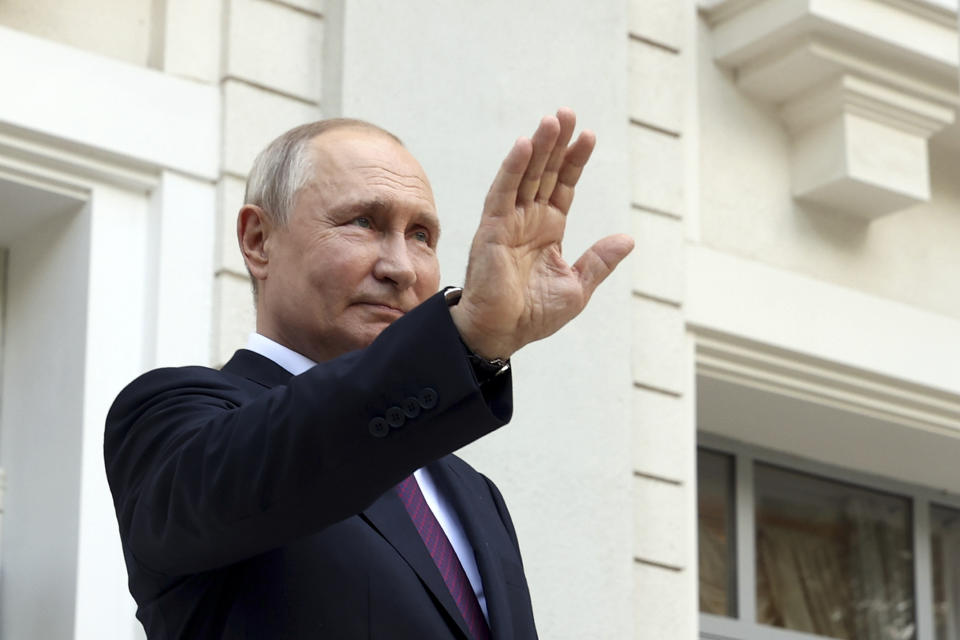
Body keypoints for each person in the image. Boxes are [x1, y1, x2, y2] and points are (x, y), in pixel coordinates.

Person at [104, 108, 633, 639]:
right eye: (364, 223)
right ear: (258, 240)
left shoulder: (472, 493)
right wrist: (466, 337)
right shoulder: (172, 418)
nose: (401, 267)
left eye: (421, 235)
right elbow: (300, 451)